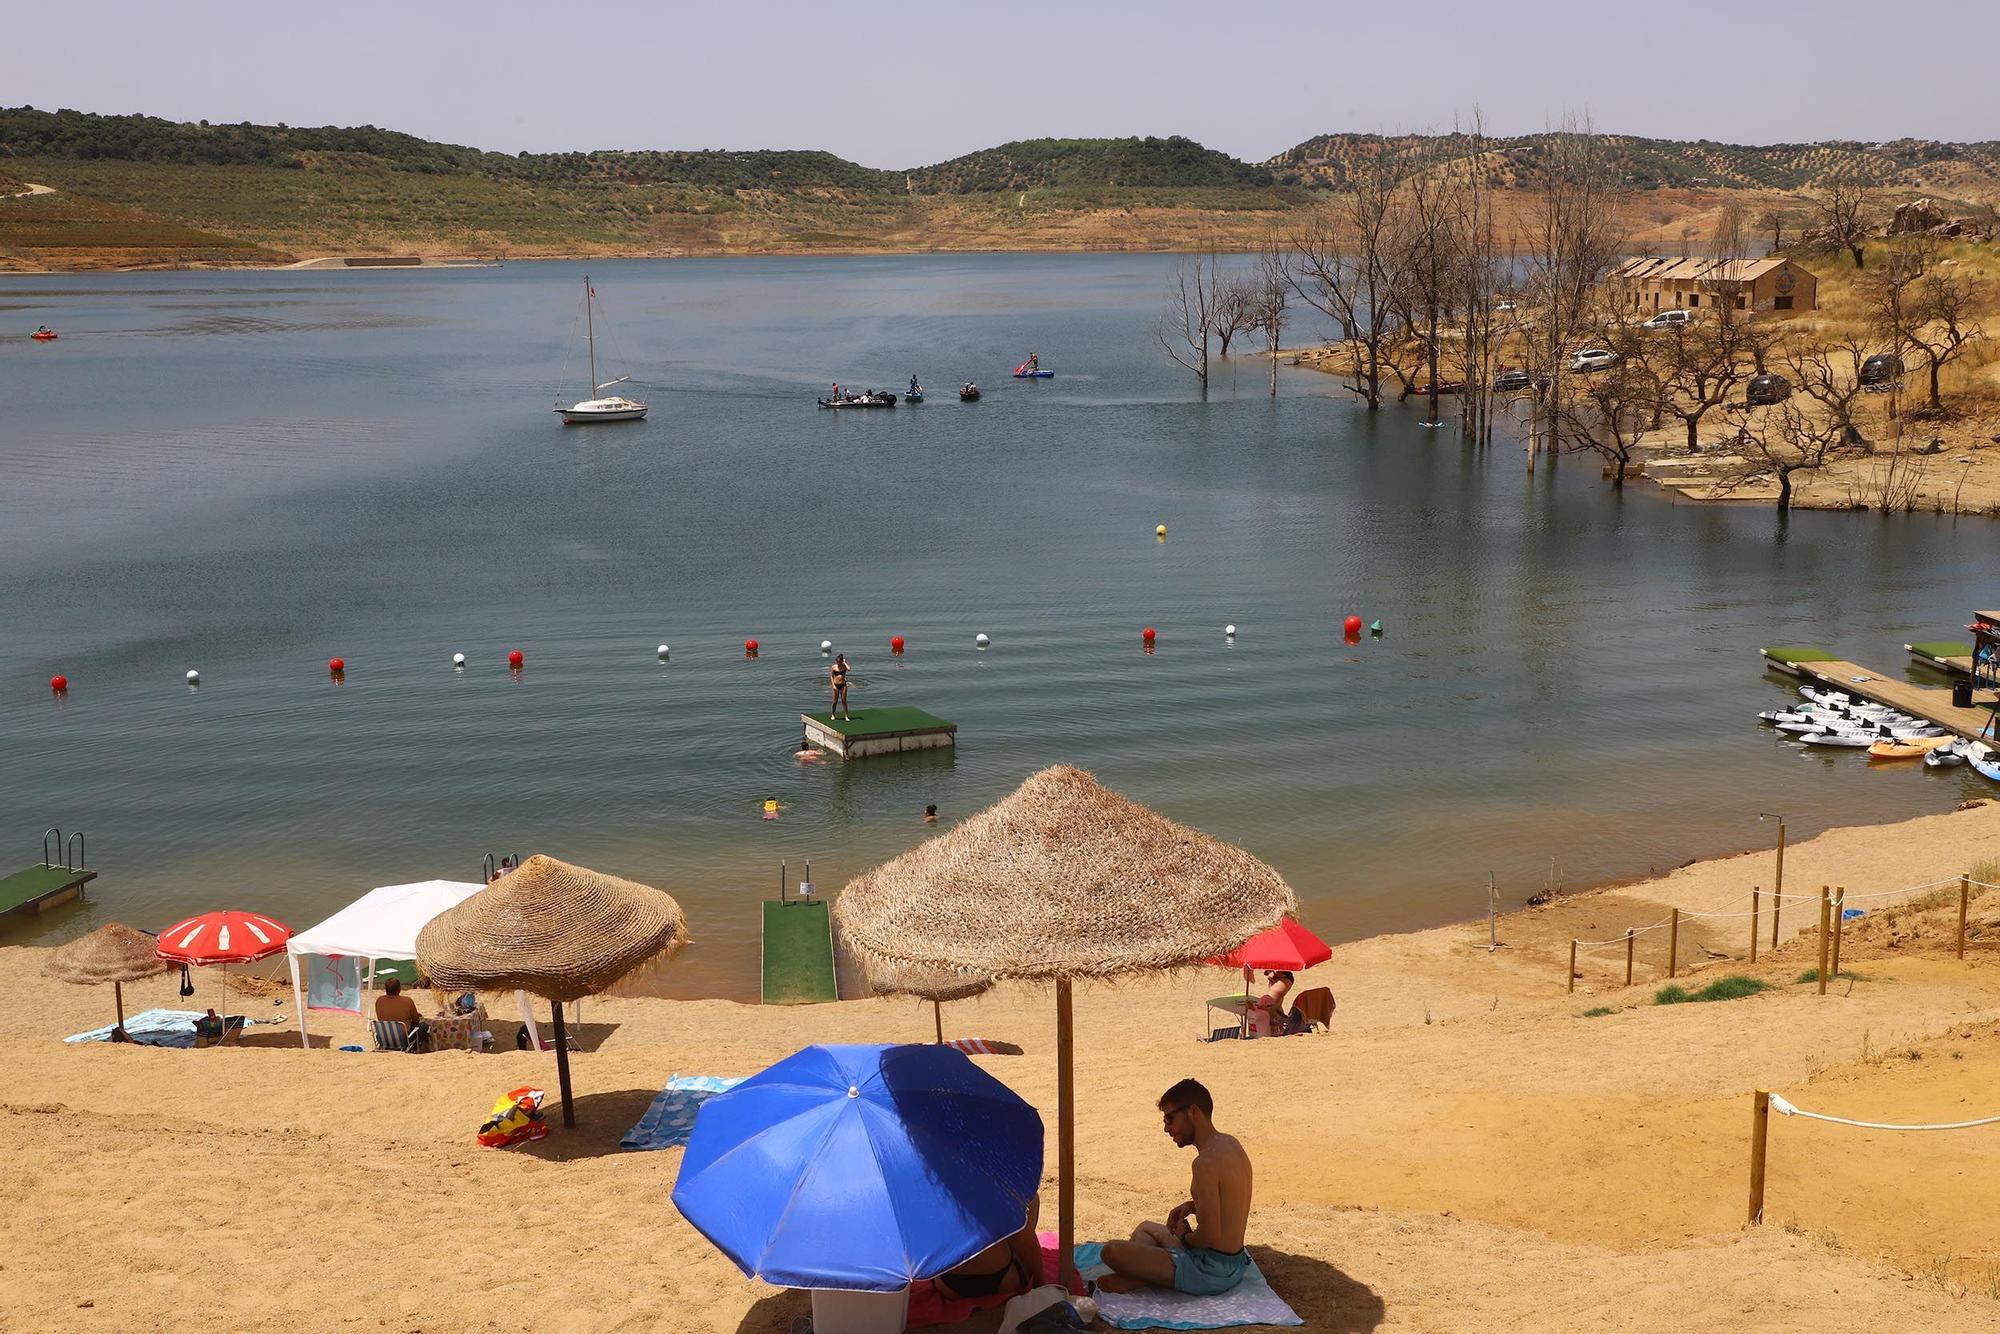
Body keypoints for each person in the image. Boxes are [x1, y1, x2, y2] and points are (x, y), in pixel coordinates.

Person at [1098, 1079, 1252, 1298]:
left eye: (1170, 1118)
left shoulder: (1204, 1163)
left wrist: (1183, 1239)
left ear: (1193, 1112)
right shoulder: (1230, 1144)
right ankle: (1145, 1273)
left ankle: (1142, 1276)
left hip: (1209, 1271)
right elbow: (1229, 1204)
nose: (1166, 1128)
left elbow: (1208, 1236)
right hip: (1234, 1263)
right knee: (1145, 1228)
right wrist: (1191, 1206)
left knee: (1111, 1251)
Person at [935, 1193, 1042, 1303]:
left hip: (948, 1285)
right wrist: (1041, 1282)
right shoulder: (992, 1186)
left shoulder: (928, 1191)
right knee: (1032, 1198)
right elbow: (1027, 1244)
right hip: (1002, 1280)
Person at [375, 976, 429, 1049]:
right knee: (424, 1026)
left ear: (386, 989)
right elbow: (416, 1020)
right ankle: (413, 1048)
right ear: (399, 989)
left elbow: (380, 1018)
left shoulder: (379, 1001)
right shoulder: (407, 1001)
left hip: (383, 1039)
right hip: (402, 1041)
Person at [1250, 969, 1294, 1035]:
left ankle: (1274, 1031)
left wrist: (1274, 970)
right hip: (1280, 976)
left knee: (1267, 1004)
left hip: (1281, 976)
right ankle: (1281, 1029)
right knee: (1276, 1006)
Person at [830, 652, 851, 721]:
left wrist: (844, 662)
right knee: (835, 701)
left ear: (841, 661)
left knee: (844, 701)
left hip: (843, 685)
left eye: (839, 662)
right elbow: (831, 676)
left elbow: (849, 669)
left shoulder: (844, 666)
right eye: (837, 661)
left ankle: (846, 716)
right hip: (836, 685)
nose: (838, 663)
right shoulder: (833, 667)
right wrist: (833, 685)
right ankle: (833, 714)